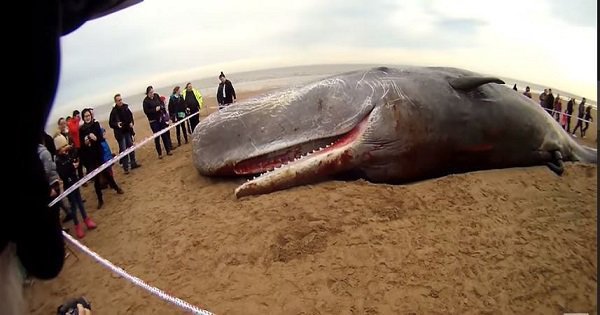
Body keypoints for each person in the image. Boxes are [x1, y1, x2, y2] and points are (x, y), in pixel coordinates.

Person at [7, 1, 138, 313]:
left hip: (66, 178)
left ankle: (90, 213)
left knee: (84, 194)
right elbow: (46, 259)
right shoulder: (34, 151)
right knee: (76, 202)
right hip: (49, 194)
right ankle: (82, 220)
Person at [79, 108, 124, 209]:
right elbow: (82, 145)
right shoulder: (81, 129)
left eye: (88, 115)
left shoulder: (95, 124)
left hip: (98, 153)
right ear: (83, 117)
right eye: (85, 116)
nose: (87, 118)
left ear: (91, 116)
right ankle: (100, 200)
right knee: (96, 179)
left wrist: (95, 138)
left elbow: (100, 137)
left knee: (106, 173)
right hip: (90, 157)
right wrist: (85, 142)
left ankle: (116, 188)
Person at [54, 134, 97, 239]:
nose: (65, 148)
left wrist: (75, 164)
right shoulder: (58, 160)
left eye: (65, 146)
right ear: (58, 148)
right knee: (73, 206)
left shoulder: (67, 155)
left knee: (80, 203)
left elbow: (73, 159)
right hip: (68, 186)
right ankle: (77, 225)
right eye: (63, 147)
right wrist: (71, 166)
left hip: (75, 182)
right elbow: (62, 173)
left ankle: (86, 219)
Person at [109, 93, 141, 174]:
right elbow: (110, 123)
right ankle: (126, 167)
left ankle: (133, 163)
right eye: (118, 100)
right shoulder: (114, 111)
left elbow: (130, 116)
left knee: (131, 147)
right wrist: (117, 124)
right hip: (120, 133)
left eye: (121, 100)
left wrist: (131, 123)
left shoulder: (125, 107)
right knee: (123, 150)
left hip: (127, 131)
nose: (120, 101)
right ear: (115, 102)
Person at [143, 86, 173, 158]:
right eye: (150, 92)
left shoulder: (156, 96)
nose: (152, 93)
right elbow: (146, 111)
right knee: (157, 137)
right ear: (147, 93)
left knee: (164, 135)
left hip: (160, 118)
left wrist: (161, 107)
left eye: (153, 92)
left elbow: (161, 103)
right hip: (153, 121)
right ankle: (159, 154)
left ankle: (168, 150)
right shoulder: (145, 101)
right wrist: (155, 109)